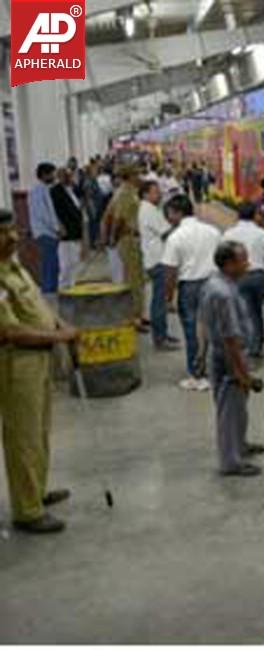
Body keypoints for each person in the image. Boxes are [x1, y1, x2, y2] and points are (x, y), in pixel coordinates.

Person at [0, 209, 78, 533]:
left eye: (14, 230)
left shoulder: (14, 266)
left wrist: (60, 322)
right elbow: (9, 332)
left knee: (40, 431)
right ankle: (27, 511)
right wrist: (60, 336)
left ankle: (35, 491)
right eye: (4, 233)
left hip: (38, 360)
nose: (13, 237)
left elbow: (39, 307)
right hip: (17, 363)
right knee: (23, 437)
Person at [199, 241, 264, 477]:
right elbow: (230, 338)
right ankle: (231, 461)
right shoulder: (223, 294)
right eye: (243, 260)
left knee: (238, 408)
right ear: (229, 264)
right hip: (228, 359)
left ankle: (240, 445)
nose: (248, 264)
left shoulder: (217, 283)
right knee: (229, 410)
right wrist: (242, 373)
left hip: (225, 355)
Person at [162, 194, 221, 391]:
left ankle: (197, 376)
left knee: (192, 332)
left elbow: (170, 271)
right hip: (213, 283)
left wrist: (168, 297)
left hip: (190, 287)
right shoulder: (212, 231)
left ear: (177, 213)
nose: (168, 217)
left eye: (169, 213)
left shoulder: (175, 237)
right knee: (213, 329)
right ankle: (217, 371)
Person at [223, 202, 264, 359]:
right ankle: (257, 343)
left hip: (237, 276)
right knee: (256, 311)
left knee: (240, 312)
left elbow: (222, 258)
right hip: (259, 276)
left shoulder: (229, 234)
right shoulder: (263, 234)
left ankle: (246, 344)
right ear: (255, 215)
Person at [138, 180, 180, 350]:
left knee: (159, 300)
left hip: (155, 259)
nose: (159, 194)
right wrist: (178, 223)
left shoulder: (149, 209)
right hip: (157, 261)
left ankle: (162, 334)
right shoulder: (148, 210)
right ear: (146, 194)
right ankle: (160, 339)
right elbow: (166, 232)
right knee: (159, 302)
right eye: (155, 192)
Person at [105, 165, 148, 331]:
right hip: (128, 239)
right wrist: (113, 238)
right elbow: (118, 219)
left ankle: (138, 314)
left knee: (137, 278)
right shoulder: (124, 193)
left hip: (133, 239)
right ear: (129, 176)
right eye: (137, 174)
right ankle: (132, 318)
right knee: (132, 279)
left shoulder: (129, 191)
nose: (140, 177)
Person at [27, 163, 61, 294]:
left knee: (53, 266)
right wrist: (56, 228)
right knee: (49, 266)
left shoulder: (44, 189)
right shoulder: (37, 191)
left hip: (49, 233)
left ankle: (52, 291)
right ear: (44, 174)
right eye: (52, 173)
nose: (54, 176)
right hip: (45, 233)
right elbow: (43, 214)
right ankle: (48, 293)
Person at [50, 167, 85, 289]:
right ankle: (63, 286)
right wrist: (59, 226)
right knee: (66, 263)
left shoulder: (74, 189)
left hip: (76, 230)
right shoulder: (55, 191)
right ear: (60, 177)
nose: (69, 178)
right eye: (66, 176)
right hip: (65, 231)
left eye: (70, 175)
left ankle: (71, 284)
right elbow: (53, 212)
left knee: (75, 261)